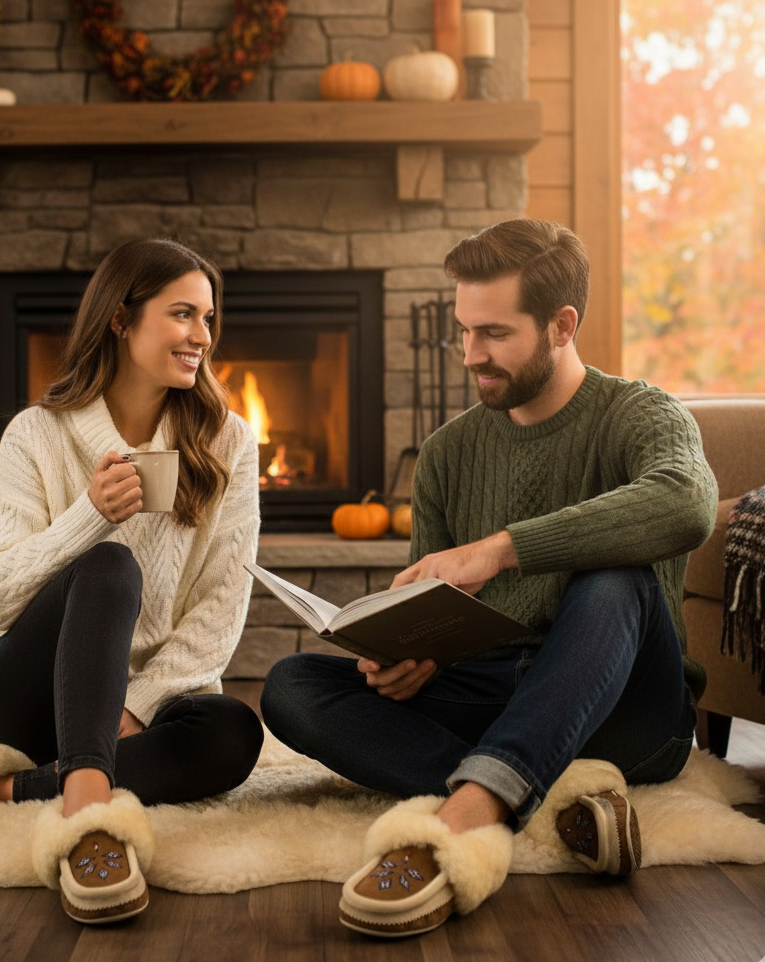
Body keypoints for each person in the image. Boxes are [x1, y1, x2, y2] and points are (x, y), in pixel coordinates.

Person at [260, 219, 718, 937]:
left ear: (562, 325)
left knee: (613, 578)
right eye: (463, 331)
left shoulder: (640, 412)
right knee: (291, 687)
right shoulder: (447, 454)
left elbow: (688, 504)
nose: (471, 355)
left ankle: (465, 815)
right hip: (492, 693)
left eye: (495, 334)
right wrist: (413, 658)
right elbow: (438, 612)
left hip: (627, 708)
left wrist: (500, 550)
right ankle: (546, 800)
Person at [0, 238, 264, 925]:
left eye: (208, 318)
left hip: (136, 709)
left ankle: (6, 790)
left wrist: (136, 704)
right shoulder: (35, 434)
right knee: (109, 565)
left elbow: (224, 598)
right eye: (182, 315)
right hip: (27, 692)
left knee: (234, 733)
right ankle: (86, 818)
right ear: (120, 318)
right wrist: (88, 517)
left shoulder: (228, 441)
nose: (203, 336)